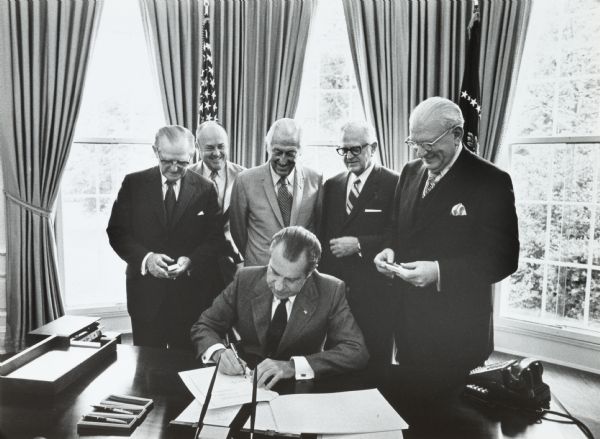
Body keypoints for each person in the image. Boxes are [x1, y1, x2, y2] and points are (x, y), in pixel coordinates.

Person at [373, 97, 519, 421]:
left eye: (429, 144)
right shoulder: (410, 172)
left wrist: (439, 272)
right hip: (407, 328)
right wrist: (387, 251)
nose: (421, 153)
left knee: (448, 423)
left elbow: (504, 258)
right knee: (412, 417)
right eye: (414, 143)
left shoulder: (491, 181)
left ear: (457, 134)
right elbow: (395, 228)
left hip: (457, 336)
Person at [191, 226, 368, 389]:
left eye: (291, 279)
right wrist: (218, 352)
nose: (279, 286)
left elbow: (356, 351)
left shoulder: (331, 290)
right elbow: (205, 325)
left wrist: (292, 366)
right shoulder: (245, 279)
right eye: (274, 272)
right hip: (245, 382)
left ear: (309, 274)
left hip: (300, 387)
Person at [107, 125, 222, 350]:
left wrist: (191, 260)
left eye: (182, 162)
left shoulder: (206, 189)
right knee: (146, 369)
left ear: (192, 155)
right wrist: (146, 259)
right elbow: (117, 232)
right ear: (155, 151)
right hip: (146, 298)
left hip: (189, 297)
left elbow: (215, 238)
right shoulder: (134, 184)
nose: (174, 167)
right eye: (167, 160)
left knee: (186, 366)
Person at [319, 121, 399, 372]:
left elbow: (399, 235)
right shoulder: (332, 185)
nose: (349, 156)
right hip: (338, 295)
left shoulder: (395, 183)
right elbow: (324, 236)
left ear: (372, 148)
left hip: (376, 293)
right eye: (344, 150)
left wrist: (360, 244)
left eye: (356, 149)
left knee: (375, 362)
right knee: (337, 359)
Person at [229, 118, 322, 267]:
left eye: (290, 153)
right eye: (277, 152)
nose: (283, 160)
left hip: (300, 272)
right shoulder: (245, 180)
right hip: (260, 269)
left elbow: (318, 227)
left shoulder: (315, 179)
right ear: (268, 147)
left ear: (301, 151)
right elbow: (238, 230)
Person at [190, 121, 246, 286]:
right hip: (197, 268)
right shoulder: (186, 176)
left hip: (237, 265)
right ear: (197, 147)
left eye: (221, 146)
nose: (216, 153)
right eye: (209, 148)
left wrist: (244, 261)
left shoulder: (245, 176)